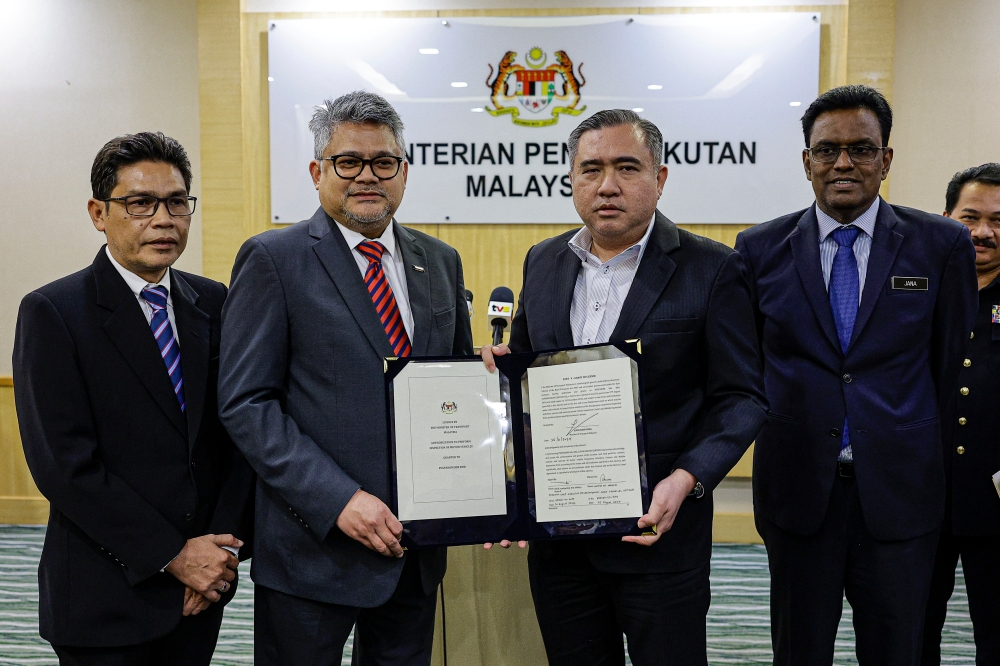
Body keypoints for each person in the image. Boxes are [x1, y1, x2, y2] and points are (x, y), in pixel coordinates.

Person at [482, 109, 767, 666]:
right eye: (590, 168)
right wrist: (496, 373)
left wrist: (686, 479)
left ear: (659, 179)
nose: (606, 185)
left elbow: (741, 397)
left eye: (626, 167)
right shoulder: (543, 261)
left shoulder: (713, 268)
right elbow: (523, 371)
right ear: (571, 179)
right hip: (558, 539)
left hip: (658, 533)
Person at [218, 91, 473, 665]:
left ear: (404, 172)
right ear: (317, 171)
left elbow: (451, 387)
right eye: (348, 162)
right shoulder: (273, 259)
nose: (367, 177)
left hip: (414, 549)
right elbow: (247, 404)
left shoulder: (440, 261)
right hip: (314, 547)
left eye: (384, 162)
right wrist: (339, 501)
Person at [735, 85, 978, 666]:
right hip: (798, 497)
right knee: (799, 652)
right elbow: (746, 372)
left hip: (900, 499)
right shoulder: (758, 249)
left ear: (886, 158)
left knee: (898, 651)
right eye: (827, 150)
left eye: (862, 148)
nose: (843, 163)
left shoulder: (942, 245)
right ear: (806, 161)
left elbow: (949, 372)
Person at [13, 132, 255, 665]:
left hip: (201, 590)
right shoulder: (53, 312)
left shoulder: (211, 301)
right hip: (107, 595)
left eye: (176, 202)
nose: (163, 219)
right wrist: (174, 556)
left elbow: (237, 437)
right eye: (140, 203)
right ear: (99, 213)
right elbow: (63, 467)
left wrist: (221, 553)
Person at [921, 163, 1000, 665]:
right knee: (911, 633)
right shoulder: (918, 290)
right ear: (946, 218)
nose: (984, 232)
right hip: (921, 498)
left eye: (998, 220)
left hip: (996, 501)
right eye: (970, 217)